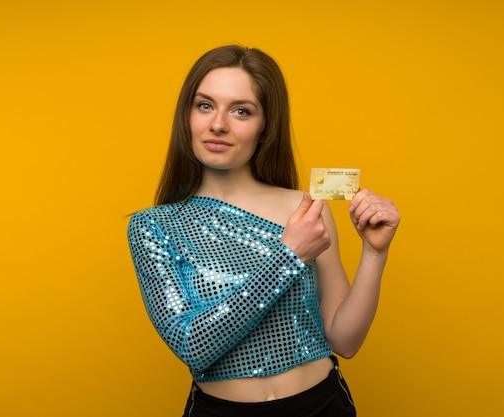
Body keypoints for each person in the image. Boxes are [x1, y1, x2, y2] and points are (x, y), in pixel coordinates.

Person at [127, 45, 400, 417]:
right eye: (204, 105)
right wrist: (288, 256)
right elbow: (193, 346)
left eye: (241, 110)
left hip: (322, 405)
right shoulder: (154, 227)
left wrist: (375, 253)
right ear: (186, 116)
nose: (218, 123)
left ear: (265, 125)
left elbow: (345, 341)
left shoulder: (305, 209)